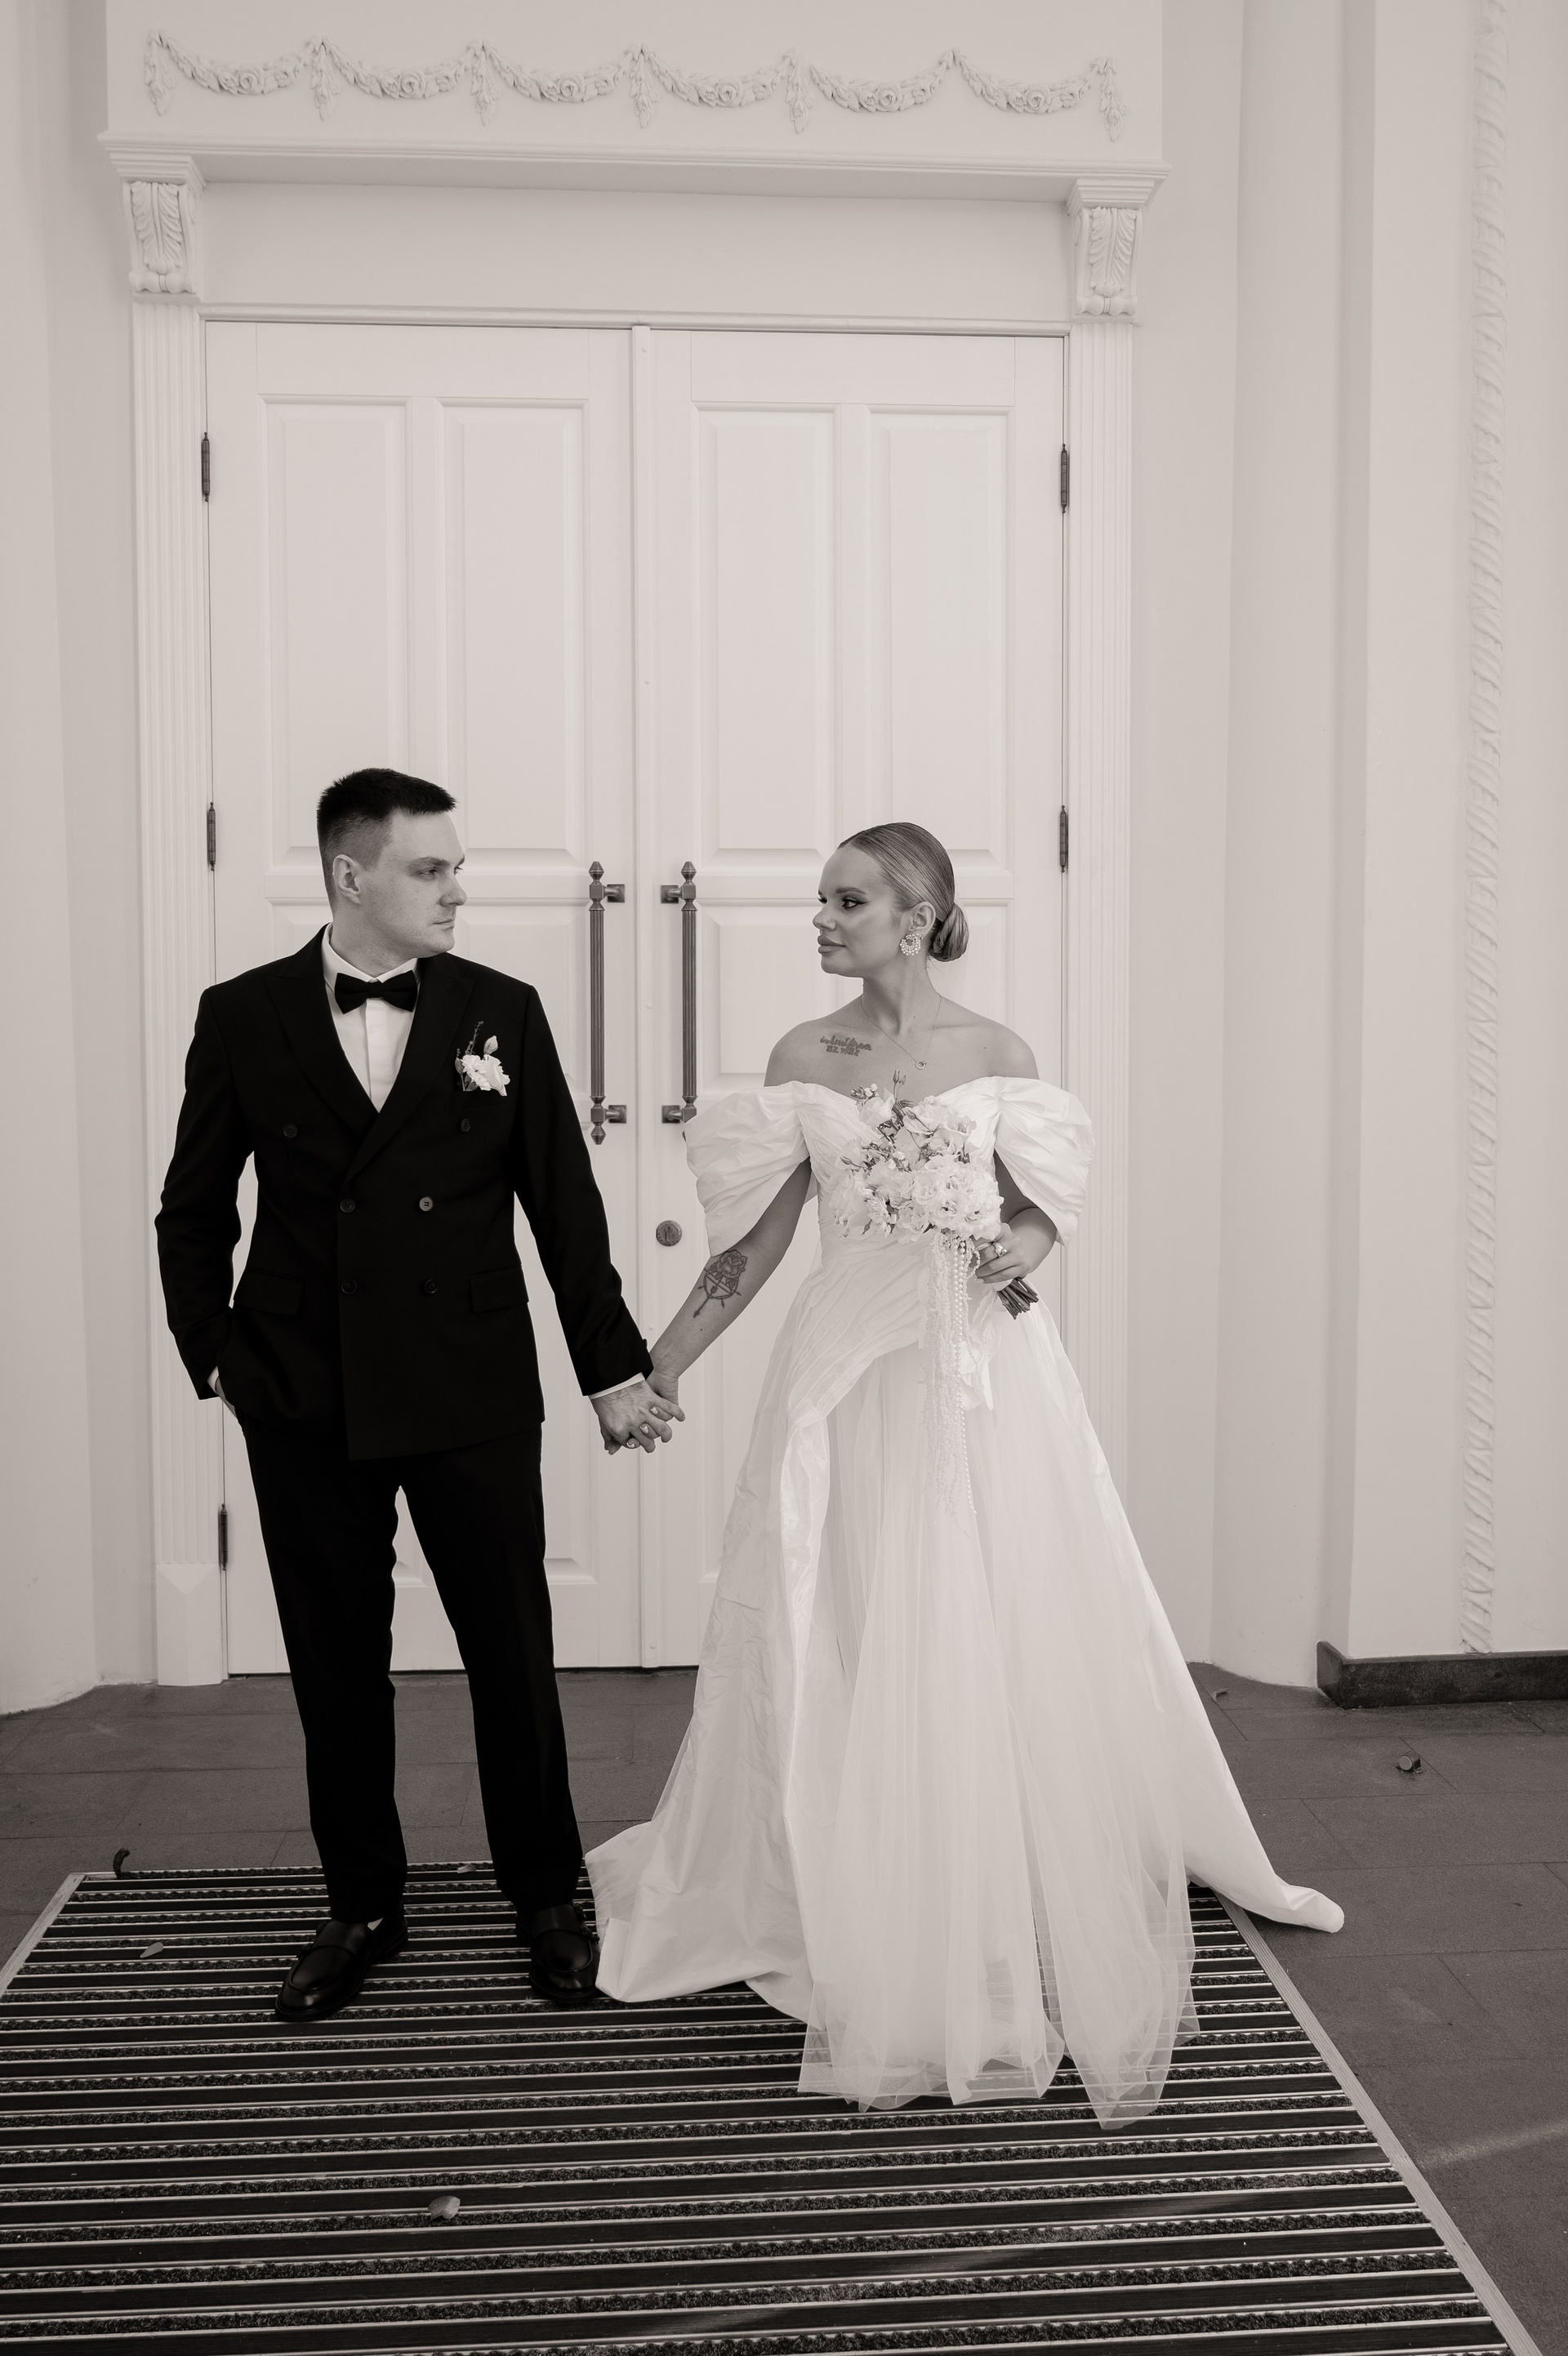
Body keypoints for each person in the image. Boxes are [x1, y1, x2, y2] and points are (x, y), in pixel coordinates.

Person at [590, 820, 1341, 2126]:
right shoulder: (801, 1058)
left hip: (978, 1364)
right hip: (849, 1365)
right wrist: (654, 1371)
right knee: (852, 1603)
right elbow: (751, 1252)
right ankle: (861, 1861)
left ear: (920, 910)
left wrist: (1022, 1249)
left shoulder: (1000, 1056)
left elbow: (1040, 1205)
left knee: (989, 1599)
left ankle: (987, 1862)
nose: (823, 919)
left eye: (848, 900)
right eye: (822, 901)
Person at [157, 768, 679, 2022]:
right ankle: (362, 1905)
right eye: (429, 869)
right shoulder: (243, 1013)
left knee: (512, 1653)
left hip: (470, 1380)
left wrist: (611, 1368)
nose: (455, 891)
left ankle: (545, 1896)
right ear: (352, 875)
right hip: (304, 1389)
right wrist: (217, 1353)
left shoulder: (503, 1008)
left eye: (457, 868)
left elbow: (564, 1204)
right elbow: (193, 1204)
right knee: (336, 1665)